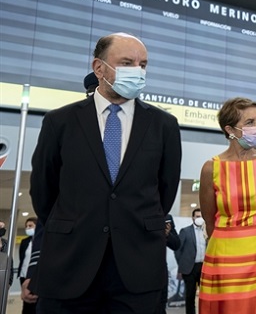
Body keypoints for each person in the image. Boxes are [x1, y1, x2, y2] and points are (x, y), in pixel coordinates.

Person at [30, 32, 182, 313]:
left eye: (143, 65)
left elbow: (165, 190)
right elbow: (43, 191)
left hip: (137, 269)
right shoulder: (59, 122)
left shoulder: (164, 126)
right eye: (127, 63)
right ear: (99, 68)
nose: (137, 71)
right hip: (70, 264)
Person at [198, 97, 256, 314]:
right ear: (230, 130)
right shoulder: (211, 168)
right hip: (225, 259)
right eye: (249, 122)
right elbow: (210, 221)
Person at [175, 208, 208, 314]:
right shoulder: (185, 231)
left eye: (201, 216)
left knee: (205, 295)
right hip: (190, 267)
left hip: (203, 267)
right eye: (197, 216)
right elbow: (178, 249)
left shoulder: (207, 231)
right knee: (190, 295)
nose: (199, 219)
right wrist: (182, 264)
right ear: (193, 217)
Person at [160, 214, 180, 314]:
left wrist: (167, 234)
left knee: (160, 305)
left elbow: (176, 244)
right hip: (136, 269)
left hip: (159, 270)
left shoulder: (166, 217)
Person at [17, 217, 37, 314]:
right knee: (25, 302)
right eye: (26, 226)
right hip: (23, 275)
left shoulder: (41, 242)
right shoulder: (25, 242)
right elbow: (22, 258)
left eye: (30, 226)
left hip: (35, 276)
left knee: (33, 301)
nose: (28, 228)